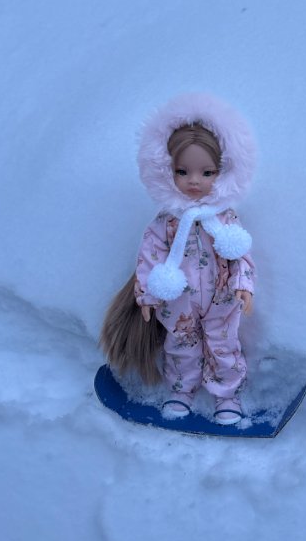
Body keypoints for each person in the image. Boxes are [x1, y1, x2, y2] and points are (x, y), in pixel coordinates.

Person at [100, 92, 256, 425]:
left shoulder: (226, 219)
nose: (194, 181)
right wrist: (146, 293)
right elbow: (149, 257)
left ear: (224, 171)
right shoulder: (165, 222)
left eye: (207, 172)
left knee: (224, 345)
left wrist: (244, 286)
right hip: (178, 299)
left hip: (222, 298)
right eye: (183, 172)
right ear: (165, 171)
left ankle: (226, 396)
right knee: (181, 343)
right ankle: (181, 390)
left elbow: (241, 255)